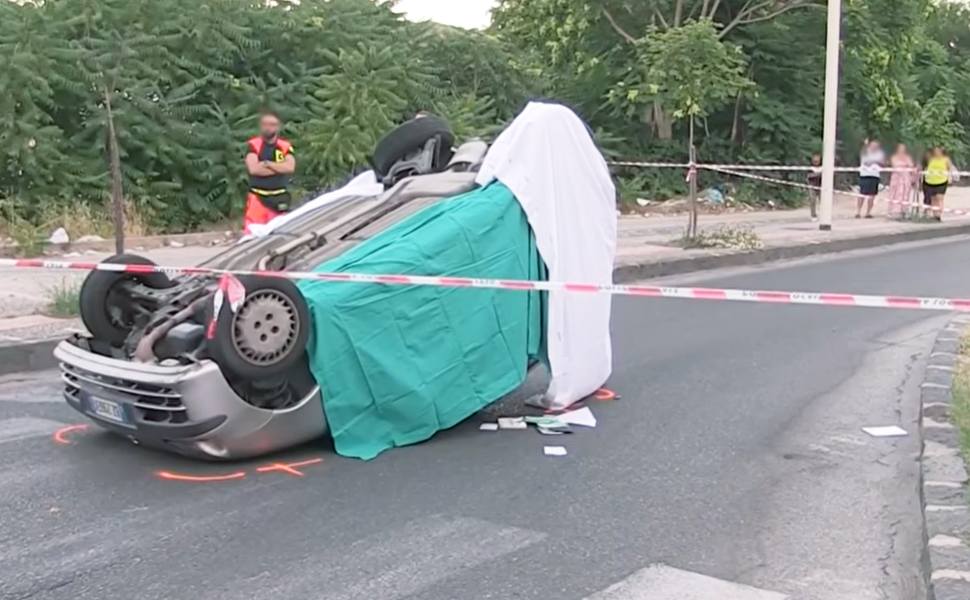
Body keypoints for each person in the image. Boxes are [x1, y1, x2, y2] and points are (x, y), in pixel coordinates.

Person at [244, 111, 296, 235]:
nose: (268, 127)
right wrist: (278, 168)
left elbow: (290, 167)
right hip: (258, 197)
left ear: (278, 127)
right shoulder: (253, 145)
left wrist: (267, 164)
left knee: (280, 234)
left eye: (272, 124)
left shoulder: (285, 146)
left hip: (280, 196)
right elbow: (254, 169)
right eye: (265, 124)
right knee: (252, 233)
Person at [923, 146, 952, 221]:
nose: (936, 152)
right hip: (930, 181)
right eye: (935, 151)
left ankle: (939, 214)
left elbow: (949, 168)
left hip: (941, 181)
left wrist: (950, 177)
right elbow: (927, 167)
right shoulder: (931, 159)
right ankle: (934, 214)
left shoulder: (946, 159)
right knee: (933, 199)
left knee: (939, 198)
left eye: (938, 151)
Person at [887, 143, 916, 218]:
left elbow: (911, 166)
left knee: (905, 193)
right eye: (900, 148)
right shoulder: (894, 157)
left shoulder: (907, 157)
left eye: (903, 148)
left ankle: (904, 210)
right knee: (895, 193)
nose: (902, 150)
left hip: (906, 177)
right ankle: (893, 210)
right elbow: (894, 165)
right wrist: (905, 165)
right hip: (897, 177)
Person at [857, 138, 884, 219]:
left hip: (874, 175)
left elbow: (882, 163)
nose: (874, 146)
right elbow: (866, 162)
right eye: (873, 145)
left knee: (872, 195)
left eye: (876, 145)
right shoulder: (865, 152)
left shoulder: (879, 154)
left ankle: (868, 212)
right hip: (865, 175)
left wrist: (877, 162)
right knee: (862, 194)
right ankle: (858, 211)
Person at [806, 153, 822, 221]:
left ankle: (824, 214)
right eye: (814, 161)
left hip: (821, 185)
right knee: (812, 200)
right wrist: (818, 174)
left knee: (823, 201)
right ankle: (813, 215)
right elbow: (808, 176)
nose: (816, 162)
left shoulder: (823, 166)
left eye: (817, 160)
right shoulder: (809, 167)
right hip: (812, 185)